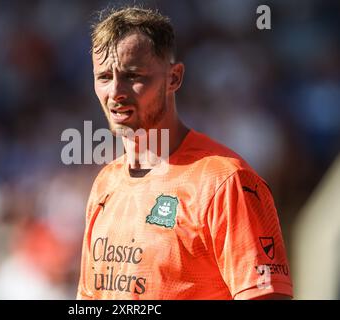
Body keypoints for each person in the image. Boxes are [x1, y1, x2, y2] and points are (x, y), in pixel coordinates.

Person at [76, 6, 293, 300]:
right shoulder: (105, 184)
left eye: (132, 76)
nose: (115, 92)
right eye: (103, 77)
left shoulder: (226, 182)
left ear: (173, 78)